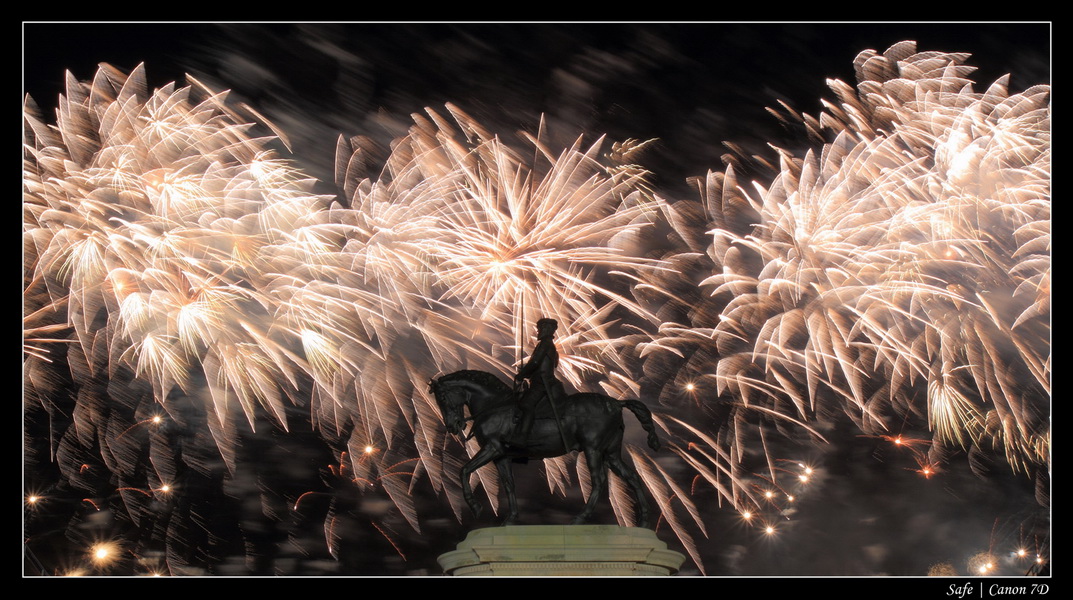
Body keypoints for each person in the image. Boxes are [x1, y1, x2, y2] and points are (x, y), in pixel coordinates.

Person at [513, 318, 566, 442]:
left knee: (526, 405)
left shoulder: (545, 344)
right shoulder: (549, 345)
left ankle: (523, 438)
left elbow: (535, 362)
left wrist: (521, 375)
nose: (538, 331)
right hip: (540, 380)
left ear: (547, 329)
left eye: (541, 329)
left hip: (542, 382)